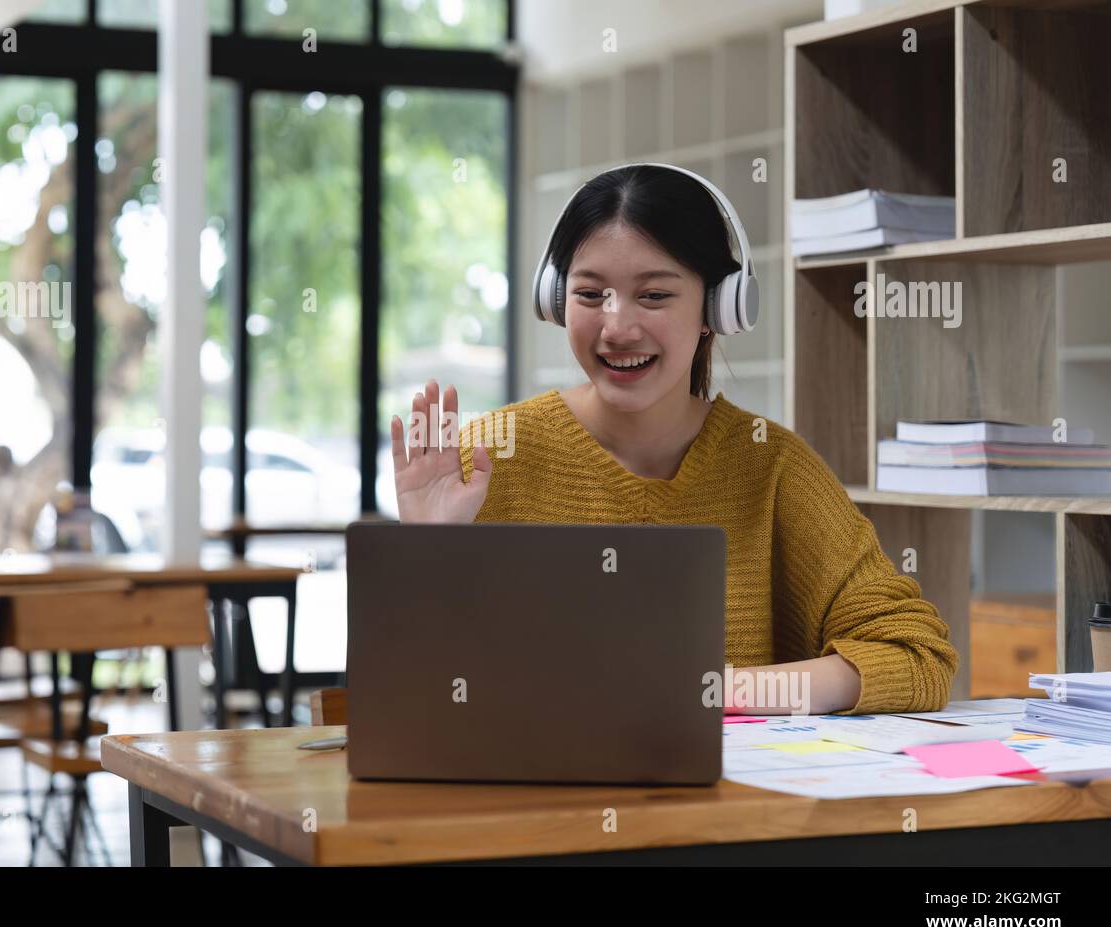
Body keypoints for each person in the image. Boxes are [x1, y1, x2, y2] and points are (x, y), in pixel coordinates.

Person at [388, 164, 957, 715]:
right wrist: (426, 561)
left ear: (717, 307)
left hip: (716, 807)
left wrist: (725, 692)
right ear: (557, 302)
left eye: (654, 295)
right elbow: (413, 698)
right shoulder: (485, 461)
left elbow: (917, 656)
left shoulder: (770, 465)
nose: (617, 327)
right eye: (590, 295)